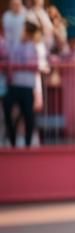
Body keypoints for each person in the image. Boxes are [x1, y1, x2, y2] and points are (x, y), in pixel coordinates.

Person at [3, 17, 47, 146]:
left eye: (23, 30)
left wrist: (20, 66)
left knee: (28, 115)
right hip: (14, 84)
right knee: (8, 111)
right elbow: (11, 60)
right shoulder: (15, 44)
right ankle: (12, 141)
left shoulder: (35, 46)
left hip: (28, 85)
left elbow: (35, 63)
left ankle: (28, 144)